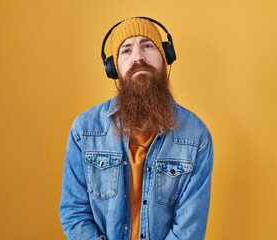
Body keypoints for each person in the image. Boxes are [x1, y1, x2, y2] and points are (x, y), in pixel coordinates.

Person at [59, 17, 214, 240]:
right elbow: (74, 213)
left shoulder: (197, 136)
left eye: (147, 45)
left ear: (165, 57)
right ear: (113, 68)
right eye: (126, 50)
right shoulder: (84, 131)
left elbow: (189, 229)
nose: (138, 57)